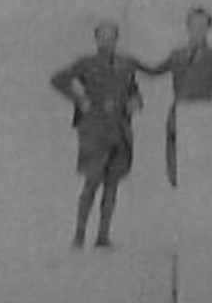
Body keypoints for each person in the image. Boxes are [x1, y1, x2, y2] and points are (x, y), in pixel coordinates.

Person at [49, 20, 150, 249]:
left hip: (120, 130)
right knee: (92, 182)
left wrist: (135, 102)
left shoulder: (125, 66)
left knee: (112, 184)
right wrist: (81, 100)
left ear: (117, 40)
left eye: (111, 37)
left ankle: (103, 236)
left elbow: (133, 90)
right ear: (96, 40)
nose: (106, 41)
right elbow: (58, 80)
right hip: (94, 131)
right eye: (102, 37)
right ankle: (79, 235)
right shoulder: (86, 64)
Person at [143, 7, 212, 186]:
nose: (198, 31)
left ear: (209, 29)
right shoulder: (176, 55)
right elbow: (154, 71)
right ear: (187, 27)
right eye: (194, 26)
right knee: (174, 168)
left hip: (203, 117)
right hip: (177, 115)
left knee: (201, 170)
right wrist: (131, 62)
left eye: (202, 26)